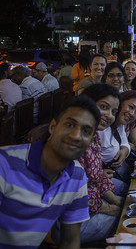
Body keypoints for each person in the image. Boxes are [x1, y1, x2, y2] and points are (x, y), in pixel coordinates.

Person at [0, 95, 101, 248]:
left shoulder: (77, 176)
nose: (76, 136)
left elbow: (70, 241)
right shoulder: (5, 164)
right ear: (52, 127)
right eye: (69, 125)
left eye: (86, 131)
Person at [61, 84, 123, 243]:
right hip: (68, 221)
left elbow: (97, 178)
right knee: (126, 223)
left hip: (90, 206)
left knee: (129, 203)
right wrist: (110, 208)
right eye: (104, 107)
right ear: (88, 103)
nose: (109, 115)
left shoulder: (93, 136)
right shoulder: (73, 141)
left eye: (114, 112)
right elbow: (73, 197)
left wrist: (116, 201)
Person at [117, 90, 136, 156]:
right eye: (131, 107)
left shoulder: (120, 126)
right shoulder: (105, 125)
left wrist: (126, 148)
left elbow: (125, 143)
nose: (132, 113)